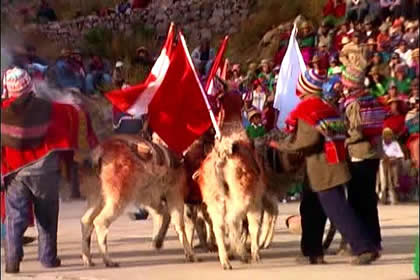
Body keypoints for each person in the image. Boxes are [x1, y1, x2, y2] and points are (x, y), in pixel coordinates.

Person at [270, 69, 379, 265]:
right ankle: (313, 252)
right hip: (332, 164)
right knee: (312, 209)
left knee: (338, 211)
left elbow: (307, 140)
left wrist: (282, 146)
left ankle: (364, 247)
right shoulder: (326, 107)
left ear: (303, 88)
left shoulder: (307, 110)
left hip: (321, 168)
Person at [1, 68, 97, 273]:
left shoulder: (2, 111)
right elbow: (76, 114)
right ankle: (48, 258)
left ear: (8, 89)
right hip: (45, 169)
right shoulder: (50, 108)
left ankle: (12, 260)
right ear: (29, 86)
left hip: (14, 173)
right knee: (46, 214)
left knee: (15, 216)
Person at [342, 65, 384, 255]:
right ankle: (375, 239)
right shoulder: (372, 99)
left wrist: (343, 140)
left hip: (359, 154)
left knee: (357, 199)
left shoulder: (354, 103)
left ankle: (362, 241)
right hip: (374, 153)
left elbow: (356, 131)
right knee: (369, 198)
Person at [377, 127, 404, 204]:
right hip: (383, 163)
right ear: (383, 137)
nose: (388, 138)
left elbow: (400, 154)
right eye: (386, 136)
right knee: (383, 167)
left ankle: (394, 187)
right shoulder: (380, 144)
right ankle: (383, 194)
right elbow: (379, 155)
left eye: (390, 136)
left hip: (394, 162)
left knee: (394, 167)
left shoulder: (395, 144)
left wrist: (395, 157)